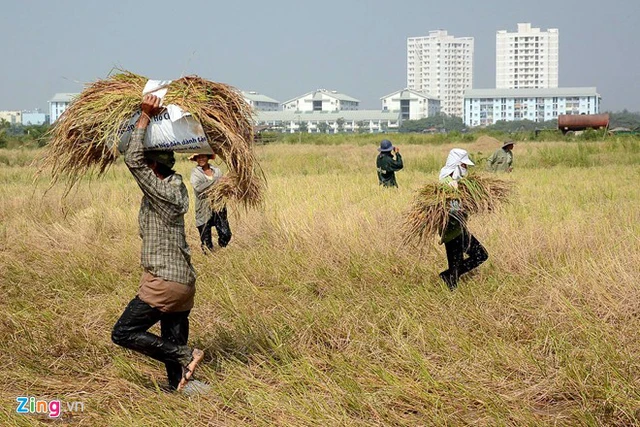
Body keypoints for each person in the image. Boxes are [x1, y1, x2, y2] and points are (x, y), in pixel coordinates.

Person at [111, 93, 204, 392]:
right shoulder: (174, 189)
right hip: (184, 283)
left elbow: (133, 159)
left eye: (147, 166)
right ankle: (182, 387)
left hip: (164, 281)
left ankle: (186, 354)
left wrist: (145, 116)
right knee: (172, 336)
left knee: (124, 332)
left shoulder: (162, 190)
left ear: (154, 167)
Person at [438, 148, 489, 290]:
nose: (466, 168)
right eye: (464, 165)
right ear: (457, 165)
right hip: (452, 229)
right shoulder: (449, 183)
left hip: (457, 228)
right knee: (480, 255)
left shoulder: (454, 181)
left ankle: (449, 277)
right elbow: (454, 209)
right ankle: (448, 277)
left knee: (457, 264)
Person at [189, 153, 232, 251]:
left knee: (226, 233)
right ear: (195, 159)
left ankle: (222, 251)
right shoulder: (195, 172)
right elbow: (199, 188)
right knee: (206, 239)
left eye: (203, 156)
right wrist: (217, 181)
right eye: (198, 157)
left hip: (218, 205)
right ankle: (209, 256)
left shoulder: (216, 171)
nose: (201, 159)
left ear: (208, 157)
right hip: (203, 207)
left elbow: (223, 186)